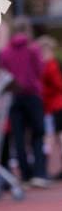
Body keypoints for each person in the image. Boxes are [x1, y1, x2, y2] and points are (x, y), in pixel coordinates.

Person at [0, 17, 49, 189]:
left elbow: (4, 75)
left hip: (14, 97)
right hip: (33, 95)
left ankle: (25, 176)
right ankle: (39, 173)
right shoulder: (33, 49)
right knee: (37, 135)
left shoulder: (5, 52)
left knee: (18, 138)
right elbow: (40, 70)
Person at [37, 35, 62, 179]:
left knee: (52, 138)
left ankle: (45, 168)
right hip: (52, 106)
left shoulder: (49, 65)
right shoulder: (49, 64)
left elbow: (57, 85)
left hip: (55, 106)